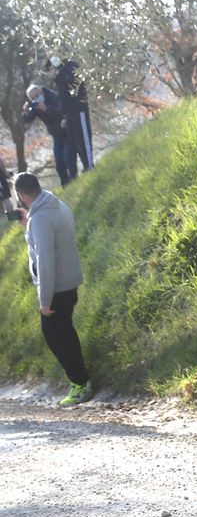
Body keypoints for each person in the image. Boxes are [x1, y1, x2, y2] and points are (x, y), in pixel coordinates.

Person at [13, 172, 92, 407]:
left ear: (22, 195)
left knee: (57, 337)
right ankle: (80, 379)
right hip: (70, 282)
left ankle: (79, 383)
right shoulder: (56, 205)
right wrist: (28, 223)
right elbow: (50, 237)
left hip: (56, 289)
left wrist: (44, 301)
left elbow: (45, 261)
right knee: (64, 332)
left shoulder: (40, 220)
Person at [22, 84, 77, 187]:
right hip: (56, 134)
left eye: (36, 96)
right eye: (32, 98)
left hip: (67, 130)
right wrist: (25, 112)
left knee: (68, 156)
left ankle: (75, 179)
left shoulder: (53, 96)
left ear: (41, 92)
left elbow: (61, 111)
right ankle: (66, 185)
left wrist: (46, 109)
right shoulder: (36, 104)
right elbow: (28, 119)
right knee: (59, 161)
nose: (35, 99)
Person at [46, 56, 95, 172]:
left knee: (84, 136)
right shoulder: (60, 78)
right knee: (77, 139)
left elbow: (75, 84)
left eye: (49, 70)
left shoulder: (69, 70)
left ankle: (89, 164)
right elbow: (63, 98)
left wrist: (58, 75)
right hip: (70, 113)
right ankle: (86, 165)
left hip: (79, 109)